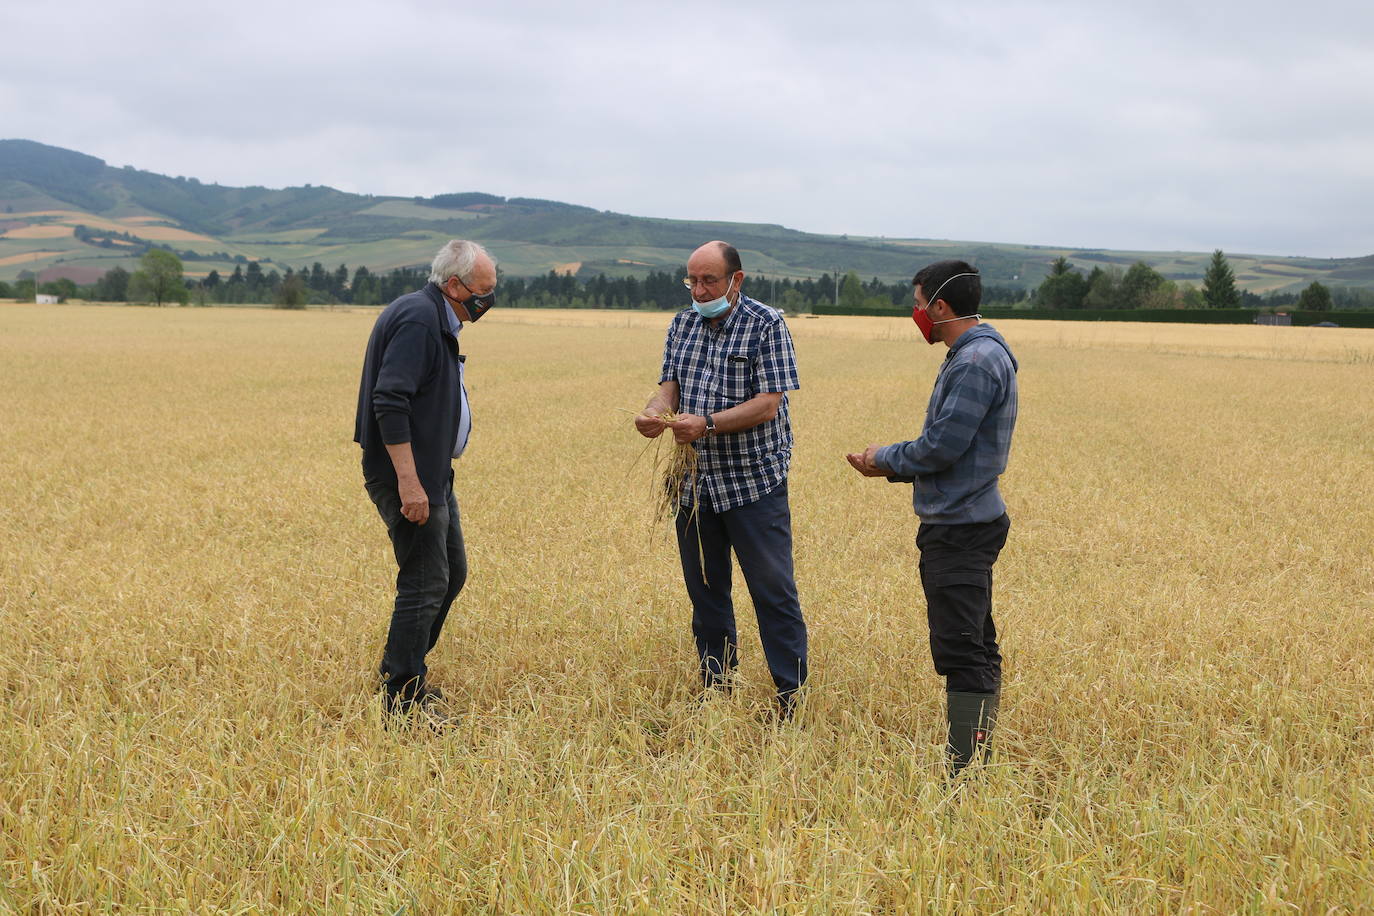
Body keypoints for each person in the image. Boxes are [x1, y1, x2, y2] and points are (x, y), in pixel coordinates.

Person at [845, 260, 1018, 773]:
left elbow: (942, 446)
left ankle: (965, 771)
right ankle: (973, 758)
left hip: (960, 527)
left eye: (919, 303)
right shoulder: (982, 350)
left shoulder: (973, 362)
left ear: (940, 307)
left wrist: (884, 460)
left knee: (962, 648)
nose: (917, 313)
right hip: (968, 520)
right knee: (975, 642)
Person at [635, 240, 808, 717]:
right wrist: (655, 412)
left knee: (773, 591)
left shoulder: (766, 325)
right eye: (692, 279)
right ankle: (716, 687)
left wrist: (706, 423)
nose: (699, 289)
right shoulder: (683, 323)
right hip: (693, 485)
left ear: (737, 280)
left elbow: (768, 403)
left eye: (709, 279)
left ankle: (790, 697)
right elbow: (670, 383)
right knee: (706, 592)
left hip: (753, 484)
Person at [354, 239, 497, 724]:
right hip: (409, 476)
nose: (488, 301)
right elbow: (389, 402)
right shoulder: (419, 318)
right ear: (454, 285)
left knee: (449, 573)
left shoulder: (433, 316)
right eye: (483, 291)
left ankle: (402, 667)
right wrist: (410, 485)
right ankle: (401, 696)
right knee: (424, 580)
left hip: (432, 472)